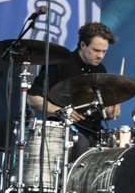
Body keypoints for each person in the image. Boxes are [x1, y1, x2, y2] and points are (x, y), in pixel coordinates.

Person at [27, 22, 120, 160]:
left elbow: (102, 112)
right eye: (96, 50)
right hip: (64, 133)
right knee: (82, 144)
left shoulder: (100, 70)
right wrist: (62, 112)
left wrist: (110, 112)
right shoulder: (59, 64)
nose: (100, 56)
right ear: (83, 45)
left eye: (104, 51)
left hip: (93, 134)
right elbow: (32, 98)